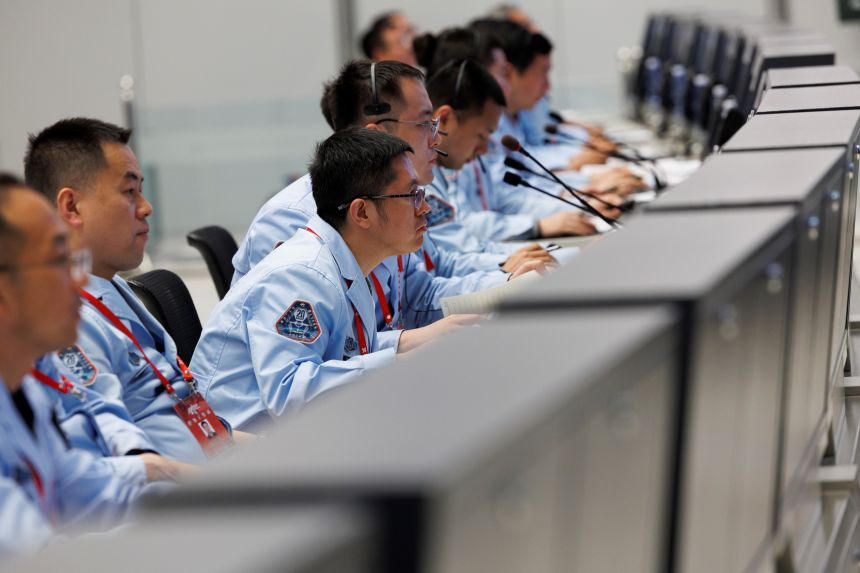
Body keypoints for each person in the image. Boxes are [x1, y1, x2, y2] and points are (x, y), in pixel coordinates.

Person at [192, 129, 478, 432]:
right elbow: (291, 395)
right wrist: (401, 363)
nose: (425, 208)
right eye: (412, 195)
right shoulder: (300, 275)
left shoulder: (346, 260)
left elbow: (343, 350)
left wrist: (410, 344)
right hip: (244, 456)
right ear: (362, 212)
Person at [233, 60, 548, 330]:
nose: (438, 137)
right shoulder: (294, 219)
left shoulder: (392, 199)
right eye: (426, 123)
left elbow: (415, 297)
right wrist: (408, 344)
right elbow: (312, 367)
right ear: (377, 133)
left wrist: (507, 285)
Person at [24, 118, 236, 464]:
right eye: (129, 192)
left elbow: (195, 422)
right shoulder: (62, 322)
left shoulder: (111, 283)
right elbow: (121, 465)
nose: (146, 207)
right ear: (71, 207)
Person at [0, 178, 154, 556]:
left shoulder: (27, 393)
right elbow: (39, 557)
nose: (80, 279)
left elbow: (89, 493)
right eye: (59, 262)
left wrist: (202, 505)